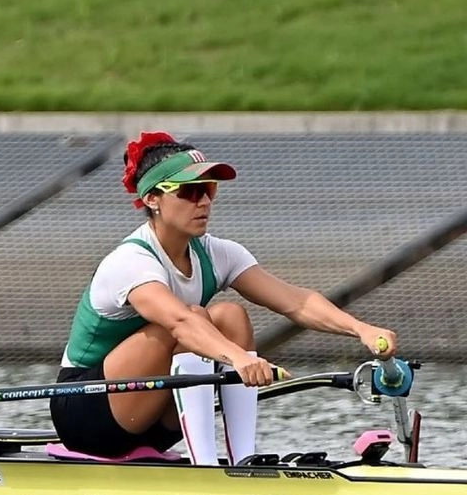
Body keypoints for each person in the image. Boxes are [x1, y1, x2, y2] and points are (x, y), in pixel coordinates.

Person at [49, 131, 396, 467]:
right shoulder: (130, 261)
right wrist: (239, 360)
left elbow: (295, 301)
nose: (203, 202)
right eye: (189, 191)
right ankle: (206, 466)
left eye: (209, 189)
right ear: (152, 199)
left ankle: (241, 458)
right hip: (85, 411)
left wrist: (360, 329)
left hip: (152, 416)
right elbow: (180, 323)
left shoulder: (217, 253)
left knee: (230, 314)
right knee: (190, 318)